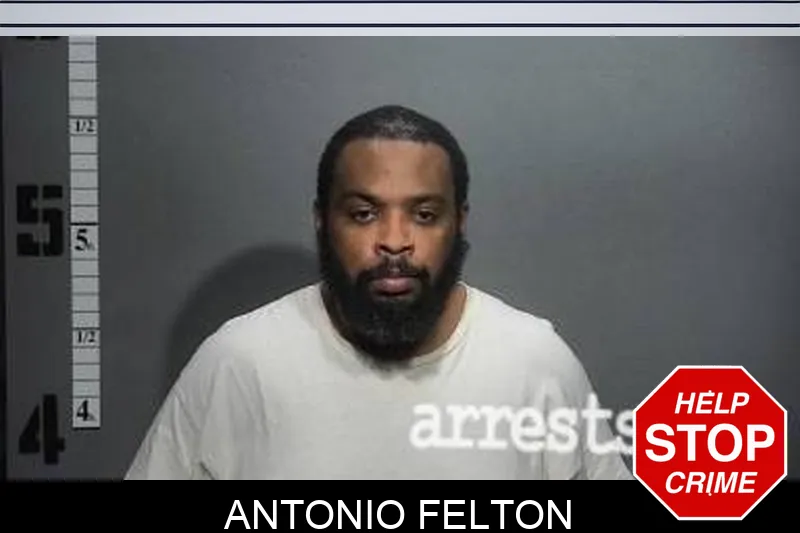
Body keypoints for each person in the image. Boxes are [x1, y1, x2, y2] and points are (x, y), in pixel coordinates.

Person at [125, 104, 633, 480]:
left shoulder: (536, 362)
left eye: (424, 214)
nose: (394, 241)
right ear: (322, 221)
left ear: (459, 223)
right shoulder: (238, 363)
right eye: (364, 213)